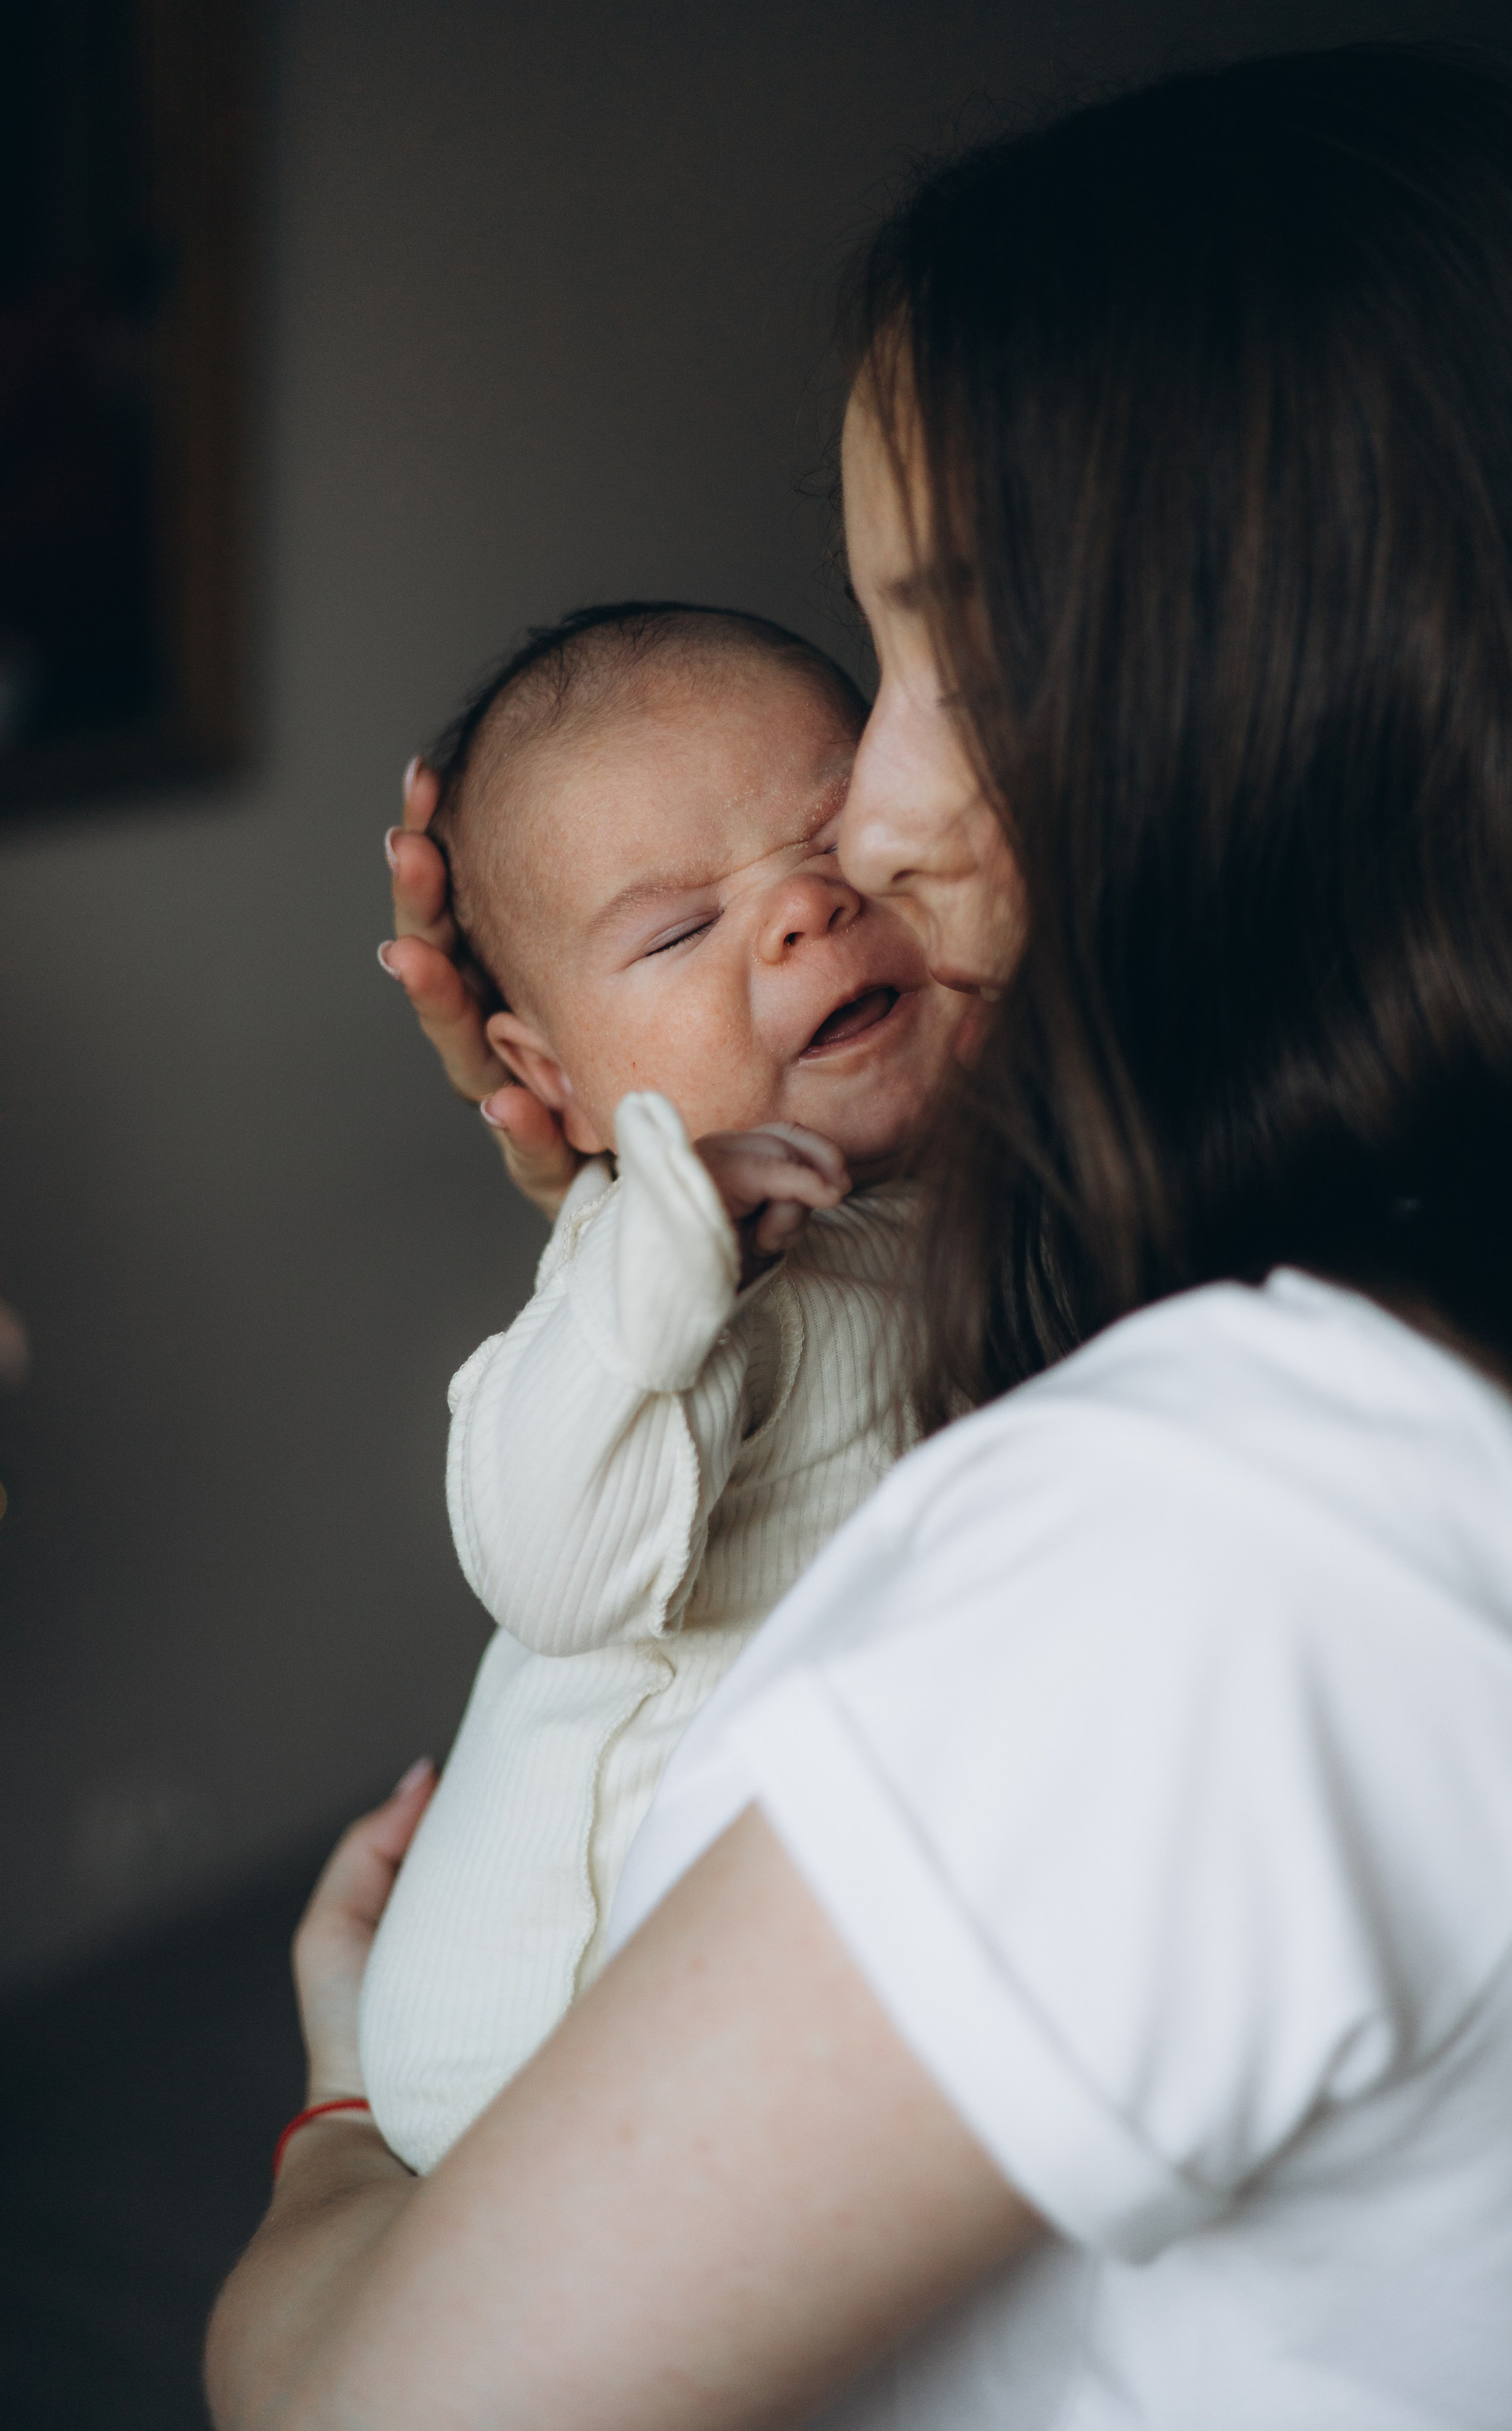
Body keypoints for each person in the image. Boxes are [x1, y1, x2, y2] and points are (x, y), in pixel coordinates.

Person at [207, 45, 1512, 2429]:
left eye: (946, 651)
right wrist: (683, 1225)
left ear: (1280, 689)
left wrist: (330, 2151)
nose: (873, 822)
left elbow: (368, 2408)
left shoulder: (1199, 1548)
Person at [359, 599, 968, 2172]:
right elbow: (550, 1571)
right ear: (550, 1078)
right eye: (679, 929)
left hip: (786, 1958)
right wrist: (671, 1260)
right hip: (549, 2028)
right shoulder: (664, 1262)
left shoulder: (988, 1181)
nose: (801, 917)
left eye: (836, 845)